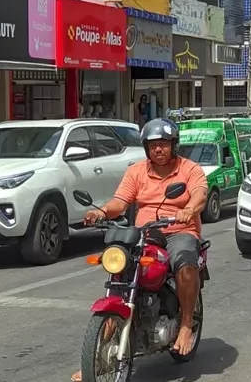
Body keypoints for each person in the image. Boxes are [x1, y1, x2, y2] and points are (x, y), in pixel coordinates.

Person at [72, 118, 207, 382]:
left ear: (173, 145)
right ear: (146, 148)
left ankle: (185, 325)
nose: (159, 150)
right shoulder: (136, 171)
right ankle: (96, 359)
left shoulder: (189, 169)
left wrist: (189, 210)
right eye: (154, 145)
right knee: (120, 271)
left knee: (185, 263)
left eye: (164, 144)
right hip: (145, 233)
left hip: (179, 230)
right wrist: (99, 212)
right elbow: (119, 203)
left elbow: (200, 194)